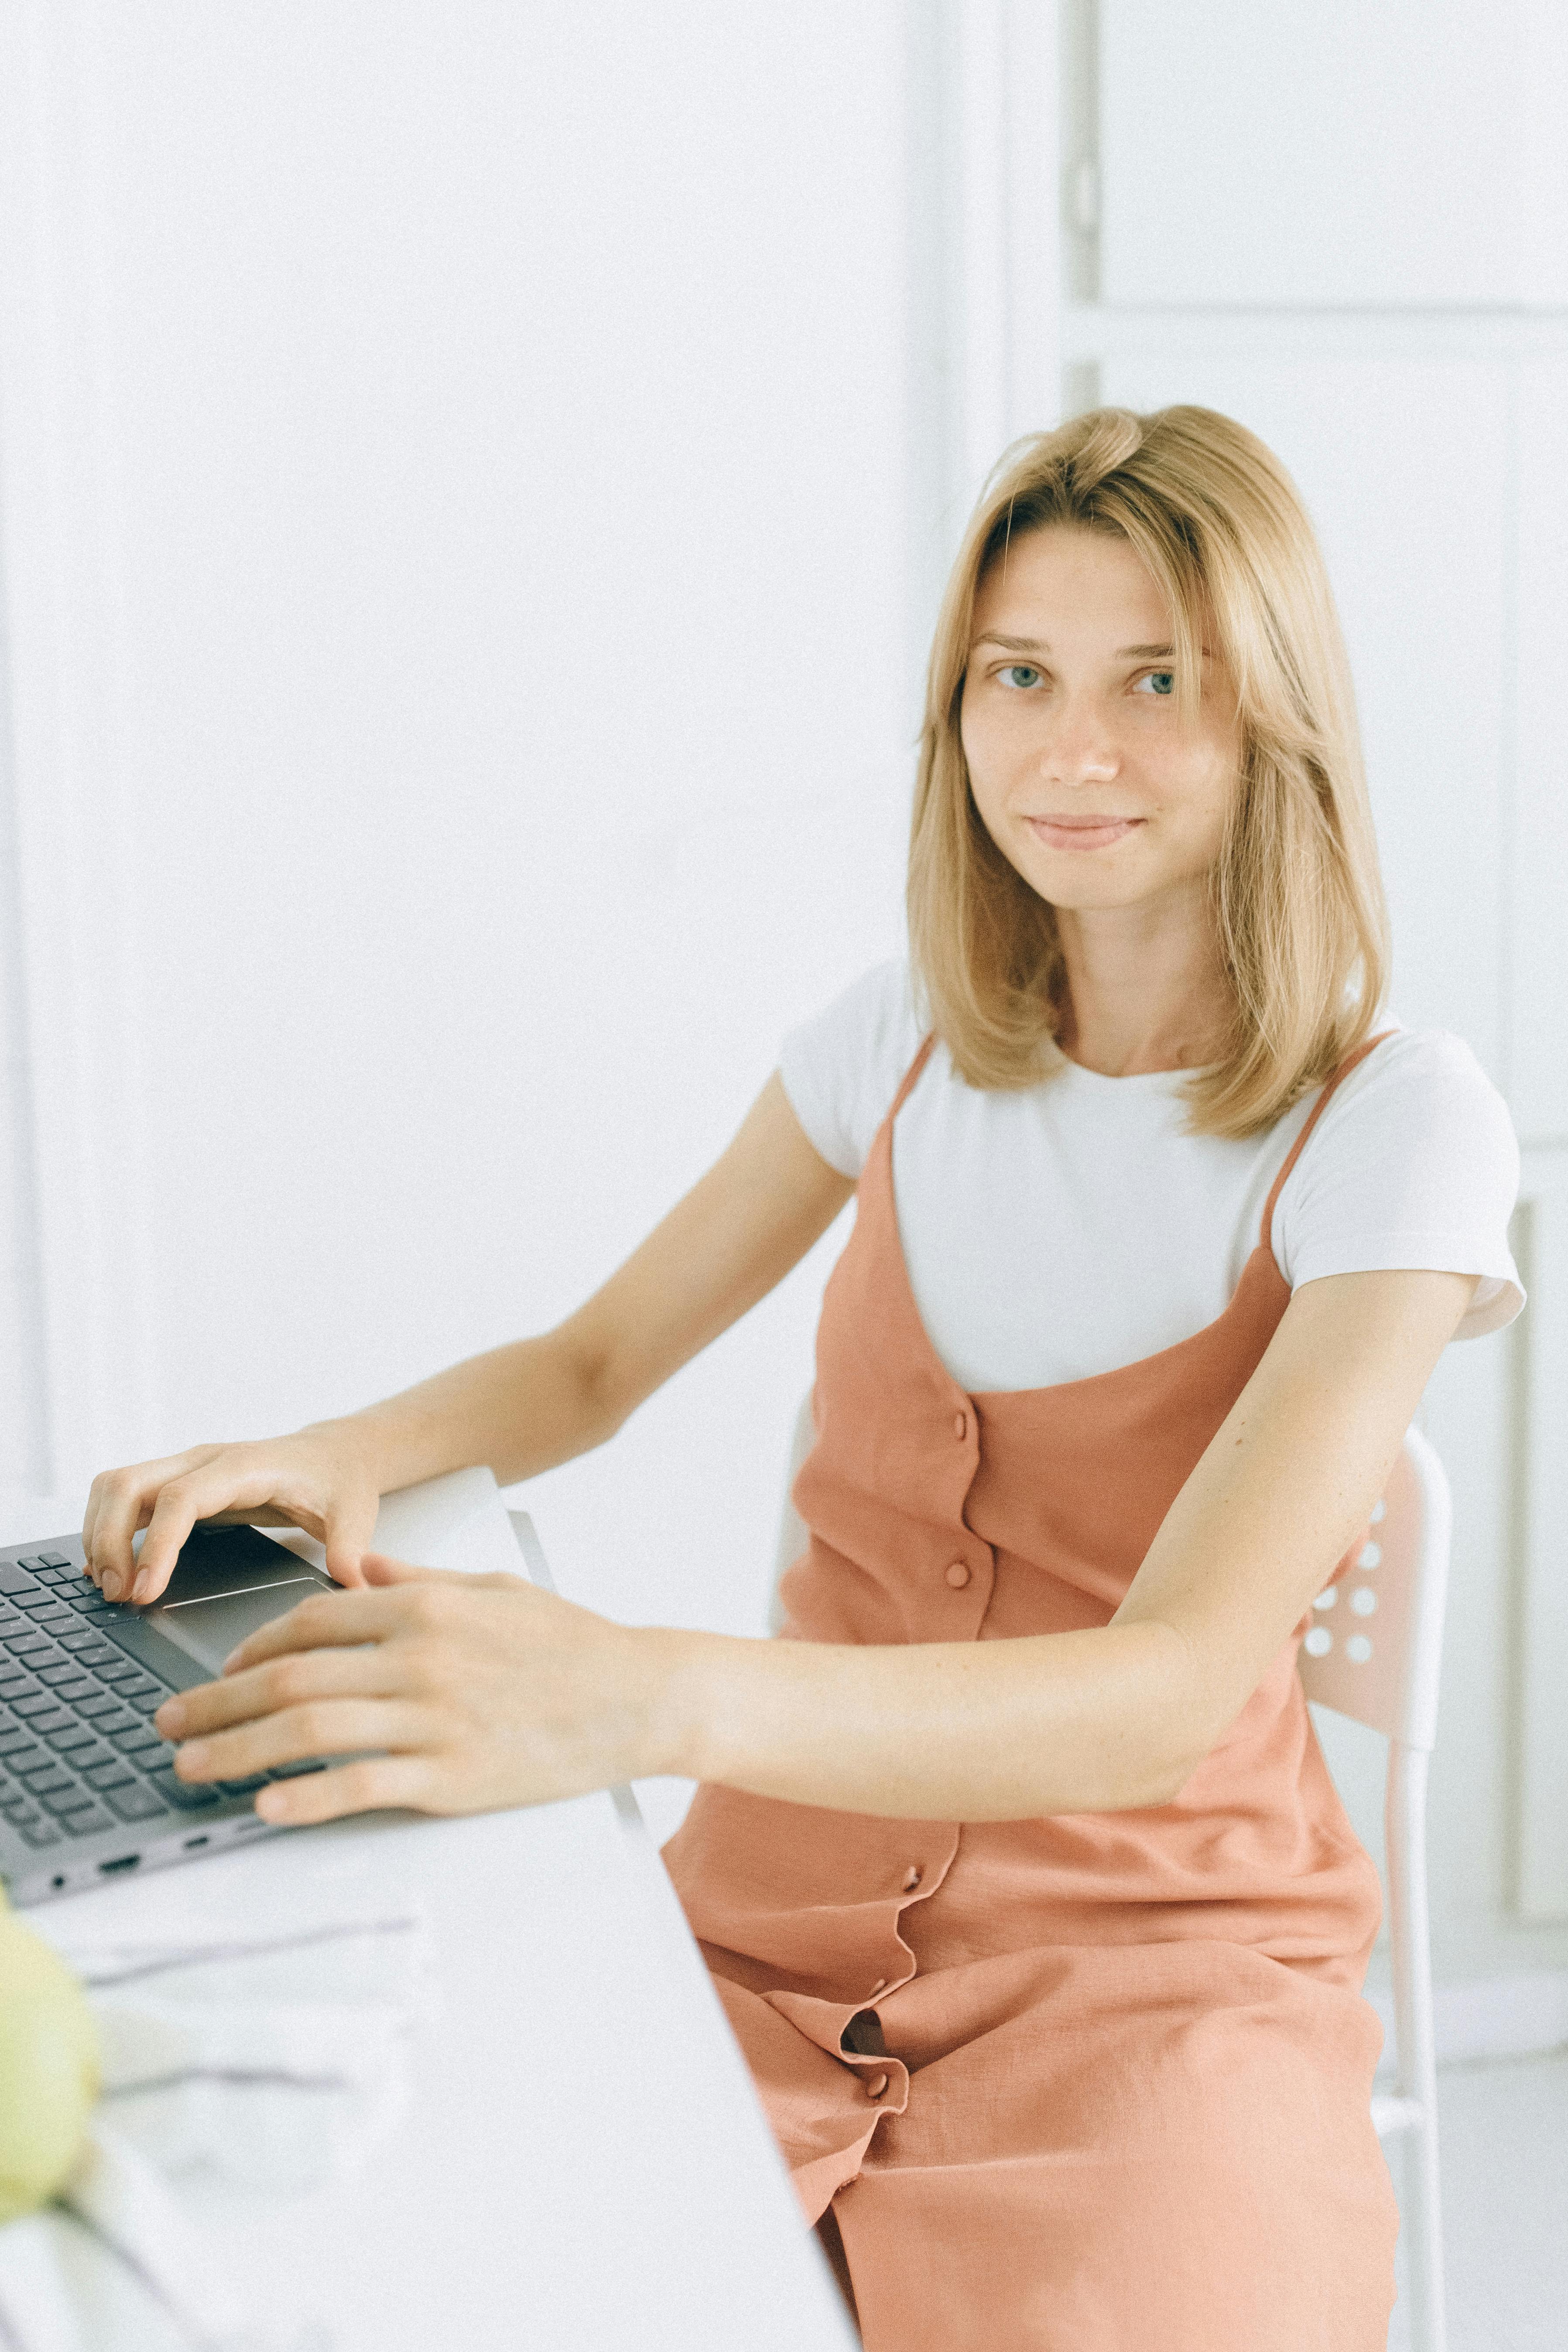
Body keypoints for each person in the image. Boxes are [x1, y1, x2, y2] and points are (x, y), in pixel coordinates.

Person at [82, 407, 1523, 2350]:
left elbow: (1166, 1694)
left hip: (1153, 1978)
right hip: (762, 1921)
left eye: (1151, 680)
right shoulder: (905, 1044)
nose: (1067, 748)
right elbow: (594, 1362)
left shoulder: (1393, 1126)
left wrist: (633, 1695)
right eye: (1015, 675)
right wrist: (331, 1450)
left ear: (1271, 715)